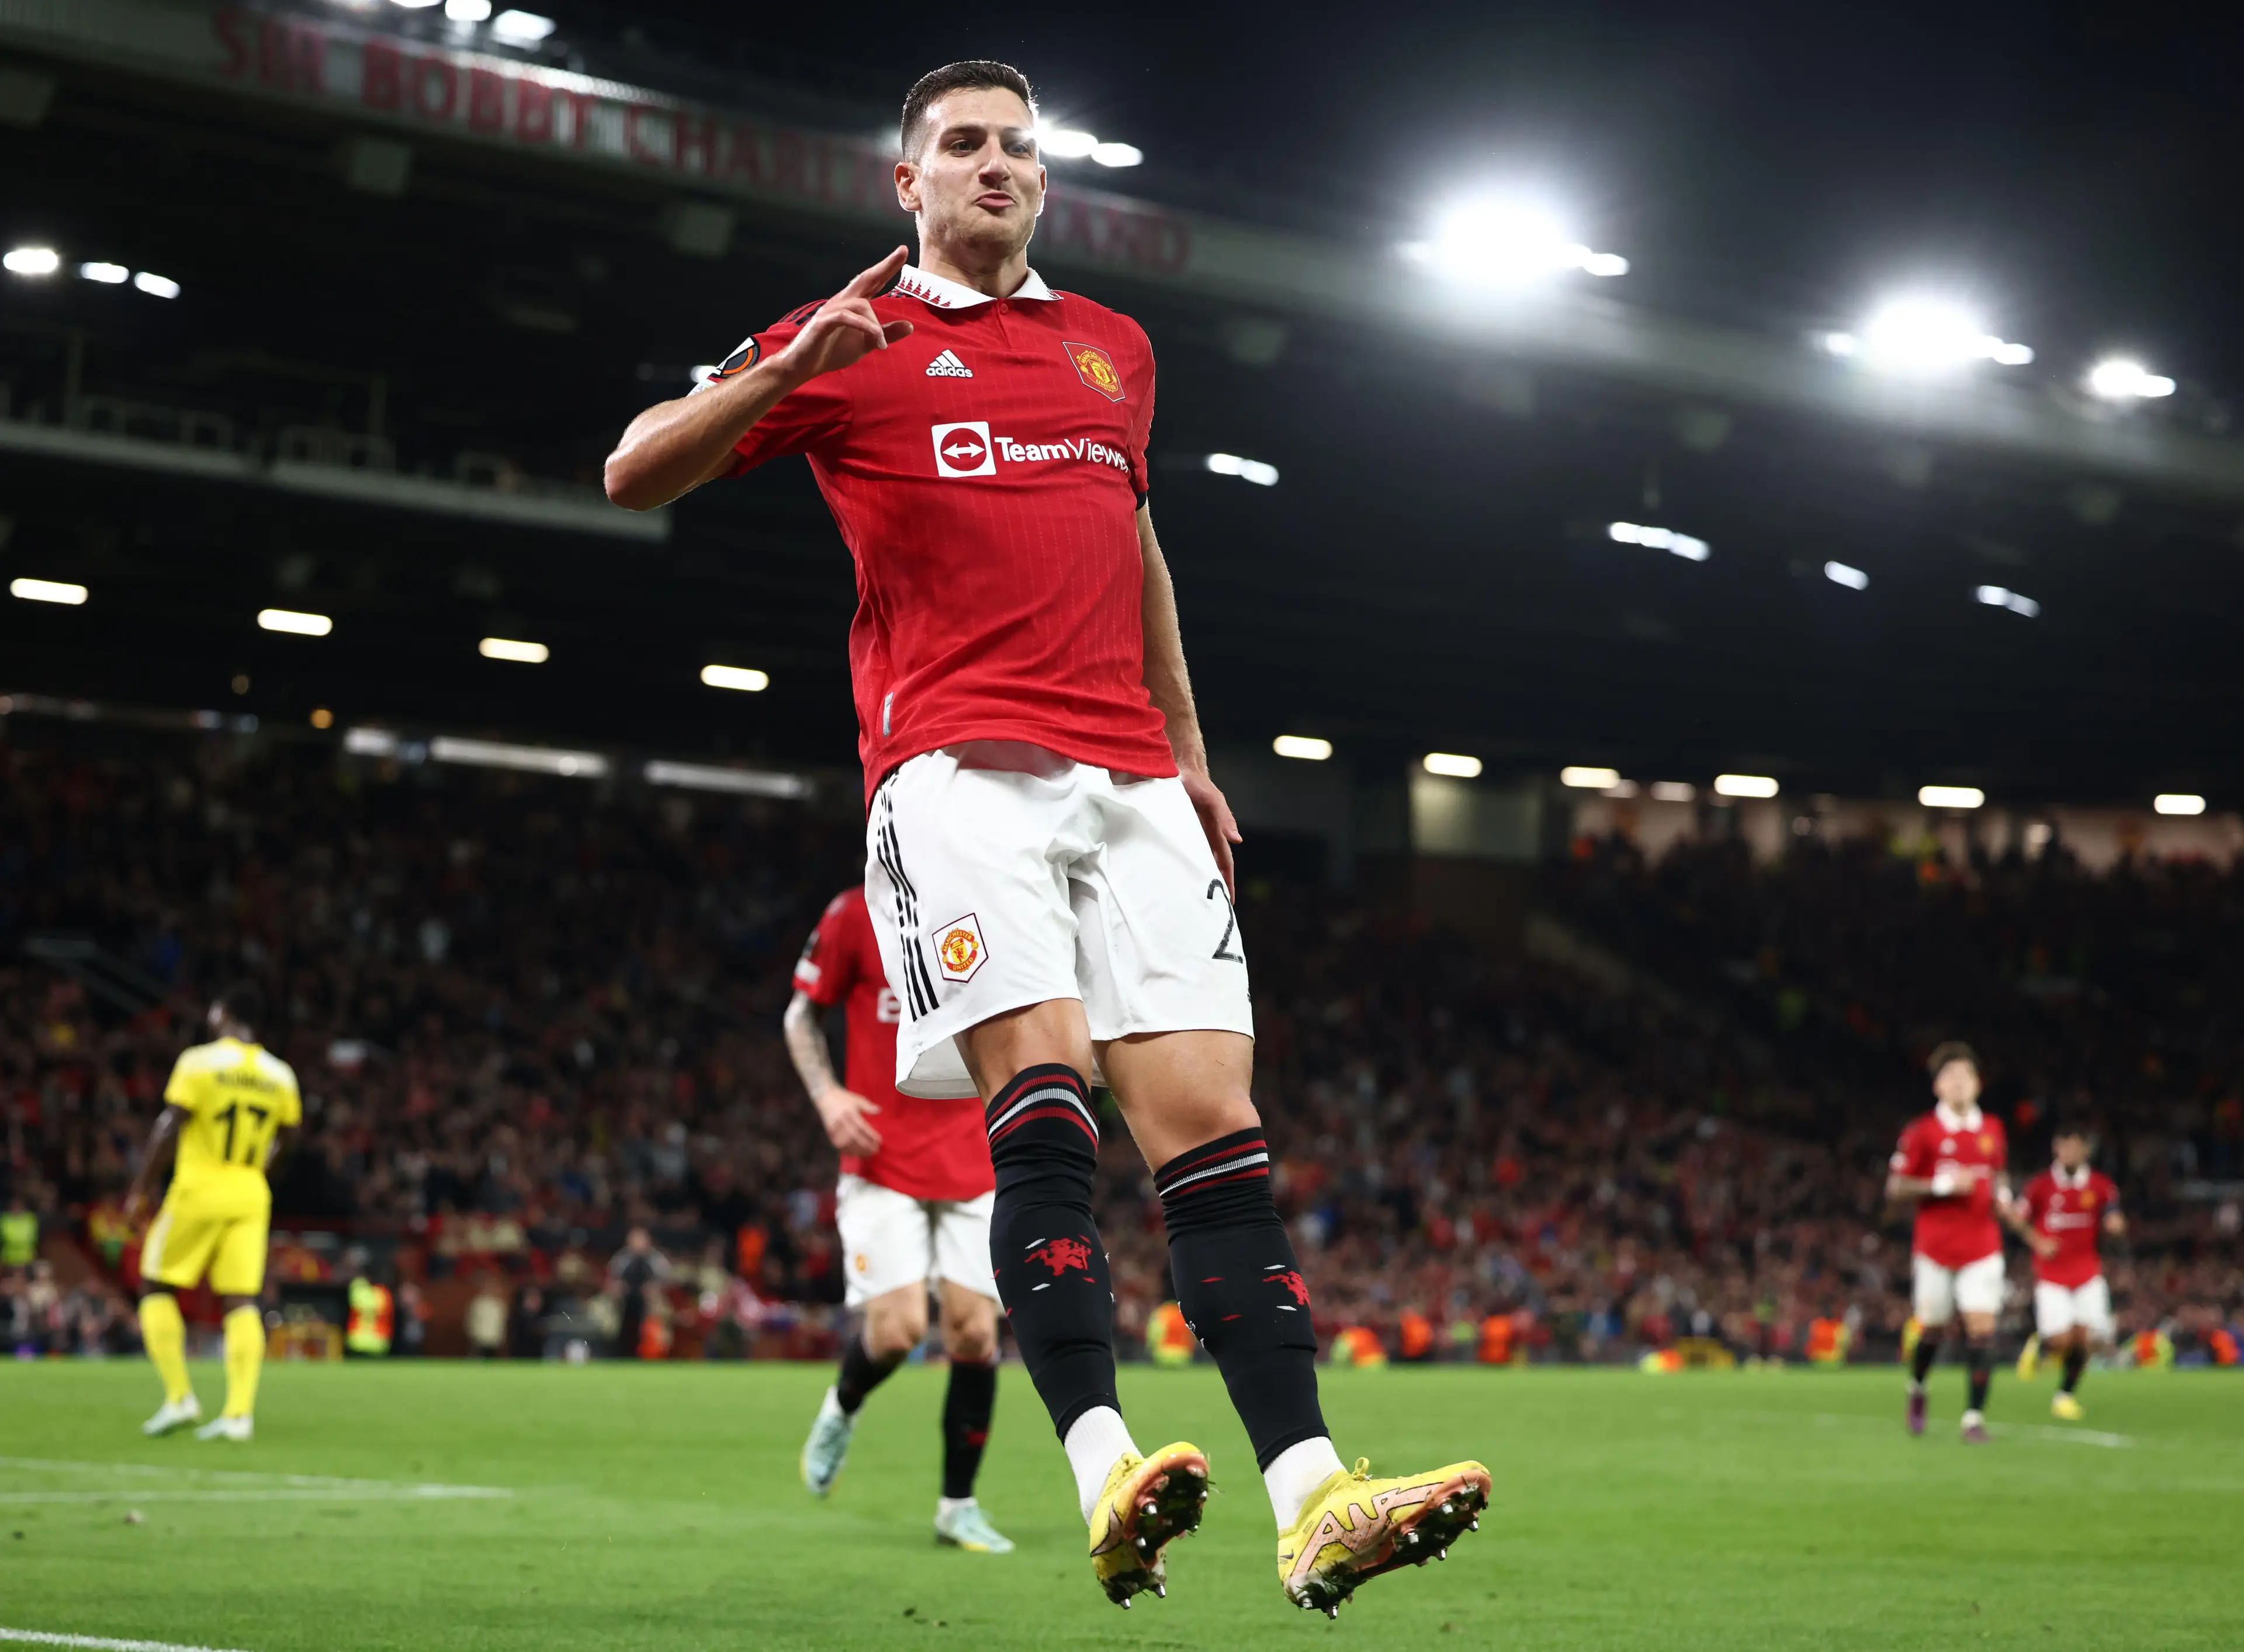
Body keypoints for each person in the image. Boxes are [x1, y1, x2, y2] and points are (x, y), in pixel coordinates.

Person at [605, 58, 1486, 1616]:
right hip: (958, 771)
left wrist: (1191, 755)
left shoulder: (1113, 349)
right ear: (908, 182)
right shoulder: (853, 337)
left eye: (1019, 144)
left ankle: (1312, 1495)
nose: (997, 164)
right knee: (1049, 1100)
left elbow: (1137, 545)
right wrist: (786, 363)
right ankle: (1101, 1468)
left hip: (1132, 773)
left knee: (1213, 1126)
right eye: (963, 144)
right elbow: (633, 467)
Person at [785, 885, 1012, 1555]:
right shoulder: (855, 913)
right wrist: (827, 1096)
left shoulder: (994, 903)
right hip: (880, 1157)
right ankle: (842, 1405)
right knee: (897, 1330)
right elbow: (801, 1015)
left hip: (975, 1156)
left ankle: (957, 1506)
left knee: (975, 1332)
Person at [124, 983, 300, 1442]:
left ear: (222, 1014)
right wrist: (261, 1170)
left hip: (200, 1186)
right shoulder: (280, 1074)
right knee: (241, 1300)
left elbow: (170, 1124)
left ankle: (179, 1396)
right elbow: (290, 1138)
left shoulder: (199, 1062)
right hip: (250, 1190)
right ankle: (239, 1414)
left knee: (154, 1283)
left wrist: (141, 1187)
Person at [1885, 1041, 2011, 1444]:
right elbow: (1895, 1187)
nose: (1959, 1082)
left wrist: (2004, 1196)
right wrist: (1941, 1185)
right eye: (1950, 1076)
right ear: (1937, 1086)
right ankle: (1918, 1387)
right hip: (1935, 1248)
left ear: (1978, 1084)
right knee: (1934, 1329)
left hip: (1982, 1245)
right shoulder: (1922, 1131)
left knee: (1982, 1329)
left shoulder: (1992, 1128)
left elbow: (1999, 1173)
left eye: (1966, 1075)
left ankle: (1973, 1419)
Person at [2008, 1123, 2124, 1419]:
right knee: (2061, 1340)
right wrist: (2038, 1241)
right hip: (2052, 1275)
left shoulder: (2100, 1185)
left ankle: (2065, 1396)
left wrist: (2116, 1225)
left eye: (2074, 1146)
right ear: (2056, 1148)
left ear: (2086, 1150)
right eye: (2063, 1146)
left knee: (2088, 1340)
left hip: (2087, 1272)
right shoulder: (2041, 1185)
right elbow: (2017, 1218)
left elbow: (2113, 1214)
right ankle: (2042, 1345)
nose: (2068, 1152)